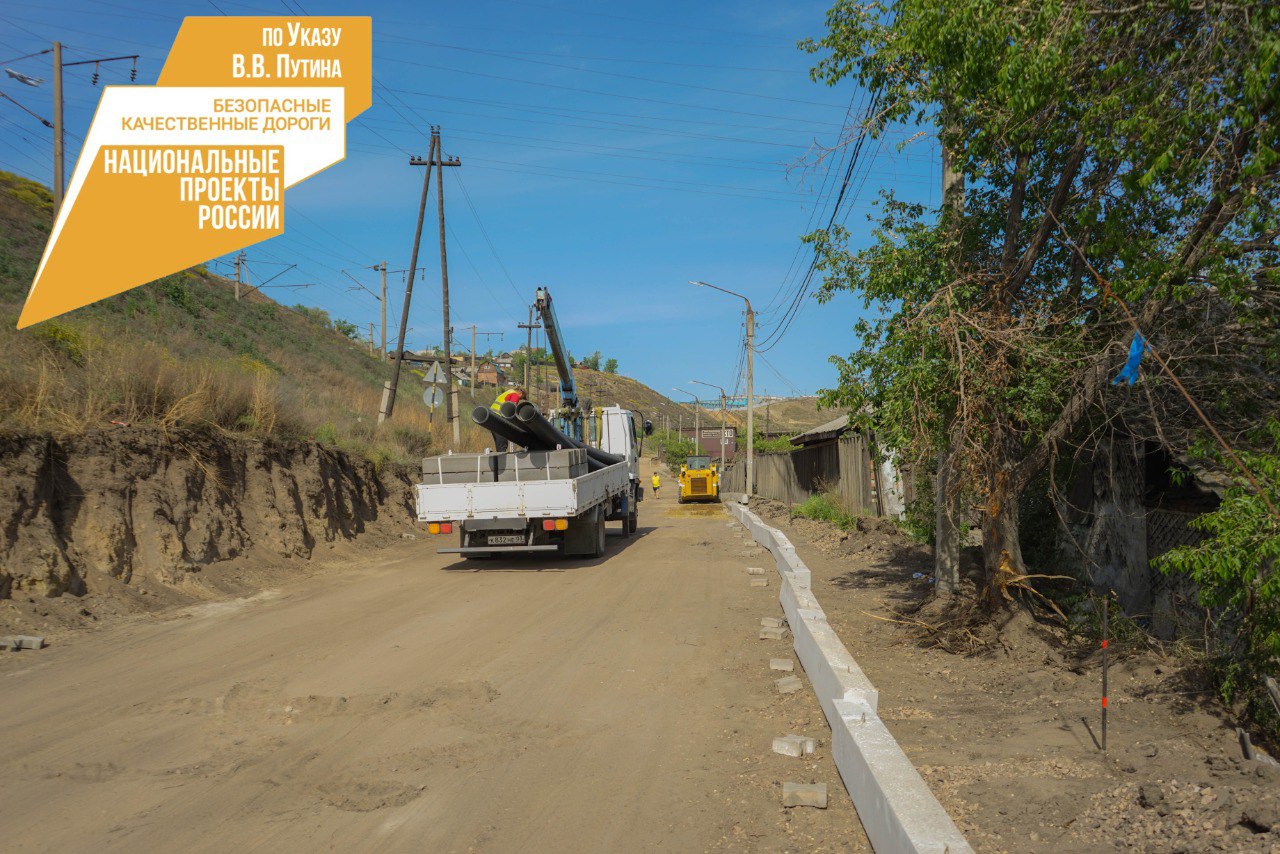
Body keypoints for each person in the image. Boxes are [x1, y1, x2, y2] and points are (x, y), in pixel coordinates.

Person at [490, 386, 525, 451]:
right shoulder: (515, 395)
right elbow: (510, 409)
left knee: (499, 444)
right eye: (521, 398)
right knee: (503, 443)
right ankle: (501, 460)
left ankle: (498, 459)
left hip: (491, 418)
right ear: (521, 393)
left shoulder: (507, 392)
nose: (519, 400)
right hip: (498, 419)